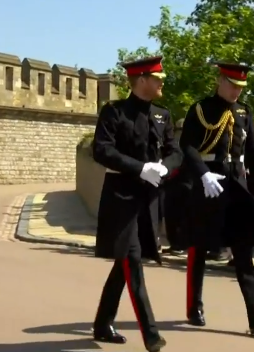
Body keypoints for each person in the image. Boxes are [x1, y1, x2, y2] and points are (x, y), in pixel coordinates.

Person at [179, 62, 254, 335]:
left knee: (243, 250)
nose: (237, 91)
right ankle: (194, 306)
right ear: (220, 81)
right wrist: (202, 174)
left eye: (241, 87)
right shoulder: (201, 109)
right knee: (199, 246)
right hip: (210, 183)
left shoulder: (245, 111)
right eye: (233, 84)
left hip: (237, 186)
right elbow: (187, 145)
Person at [91, 56, 181, 352]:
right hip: (122, 197)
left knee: (126, 263)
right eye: (156, 78)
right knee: (132, 263)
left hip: (149, 199)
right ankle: (151, 334)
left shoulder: (161, 114)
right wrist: (140, 168)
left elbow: (174, 151)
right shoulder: (115, 112)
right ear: (141, 80)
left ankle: (103, 323)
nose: (161, 83)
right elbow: (102, 150)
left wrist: (164, 168)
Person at [161, 118, 188, 256]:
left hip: (186, 183)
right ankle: (174, 244)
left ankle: (182, 245)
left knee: (183, 216)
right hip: (171, 183)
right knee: (170, 214)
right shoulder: (173, 144)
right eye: (178, 129)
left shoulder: (191, 144)